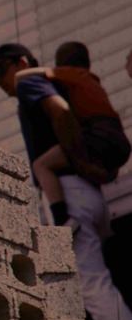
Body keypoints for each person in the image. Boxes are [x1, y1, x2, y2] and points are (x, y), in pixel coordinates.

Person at [0, 42, 132, 320]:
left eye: (0, 70)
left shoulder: (28, 83)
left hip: (69, 197)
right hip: (88, 195)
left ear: (22, 62)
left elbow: (60, 111)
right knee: (100, 279)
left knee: (94, 288)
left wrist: (77, 158)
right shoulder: (52, 82)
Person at [12, 41, 131, 229]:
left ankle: (62, 219)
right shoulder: (91, 80)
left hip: (96, 135)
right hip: (118, 140)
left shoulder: (69, 73)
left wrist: (21, 77)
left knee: (40, 165)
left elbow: (26, 77)